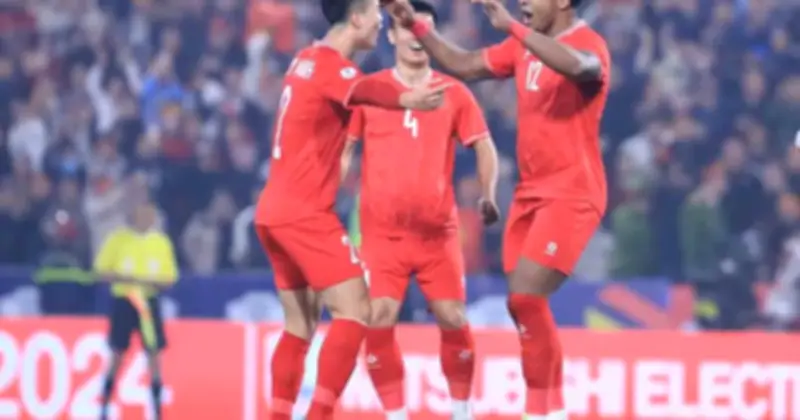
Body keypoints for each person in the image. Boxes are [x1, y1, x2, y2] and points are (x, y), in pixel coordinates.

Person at [385, 0, 611, 418]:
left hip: (572, 194)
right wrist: (416, 26)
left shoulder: (589, 44)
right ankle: (551, 409)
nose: (522, 1)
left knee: (525, 296)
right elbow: (465, 64)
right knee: (525, 304)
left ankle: (542, 411)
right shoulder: (523, 46)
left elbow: (581, 67)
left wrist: (513, 28)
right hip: (528, 195)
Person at [253, 0, 451, 418]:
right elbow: (364, 90)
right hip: (305, 214)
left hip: (273, 210)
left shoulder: (305, 59)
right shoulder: (331, 66)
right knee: (356, 311)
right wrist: (409, 98)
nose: (380, 23)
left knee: (300, 326)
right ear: (356, 18)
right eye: (376, 15)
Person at [342, 1, 500, 418]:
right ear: (392, 35)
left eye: (423, 28)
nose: (415, 35)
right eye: (406, 27)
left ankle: (461, 410)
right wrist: (324, 195)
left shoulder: (455, 93)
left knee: (453, 316)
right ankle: (396, 414)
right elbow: (345, 150)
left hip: (436, 234)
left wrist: (488, 193)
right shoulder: (370, 92)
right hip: (382, 235)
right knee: (379, 316)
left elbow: (484, 146)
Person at [94, 202, 178, 420]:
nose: (147, 219)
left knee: (154, 353)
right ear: (133, 215)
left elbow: (169, 278)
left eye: (150, 215)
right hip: (124, 300)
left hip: (148, 303)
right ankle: (104, 406)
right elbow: (102, 271)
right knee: (117, 352)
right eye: (142, 214)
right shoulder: (118, 239)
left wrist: (147, 282)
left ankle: (157, 410)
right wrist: (126, 279)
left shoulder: (160, 242)